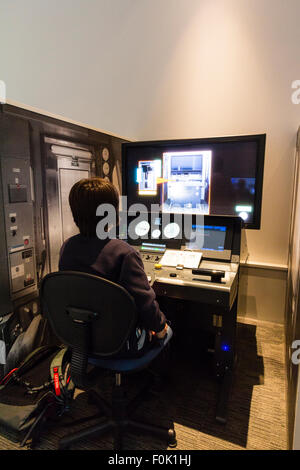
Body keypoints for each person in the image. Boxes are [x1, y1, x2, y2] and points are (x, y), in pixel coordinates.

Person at [59, 177, 168, 357]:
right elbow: (146, 306)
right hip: (122, 345)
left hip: (81, 339)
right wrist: (161, 326)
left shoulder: (67, 247)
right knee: (165, 329)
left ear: (75, 213)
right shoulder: (124, 253)